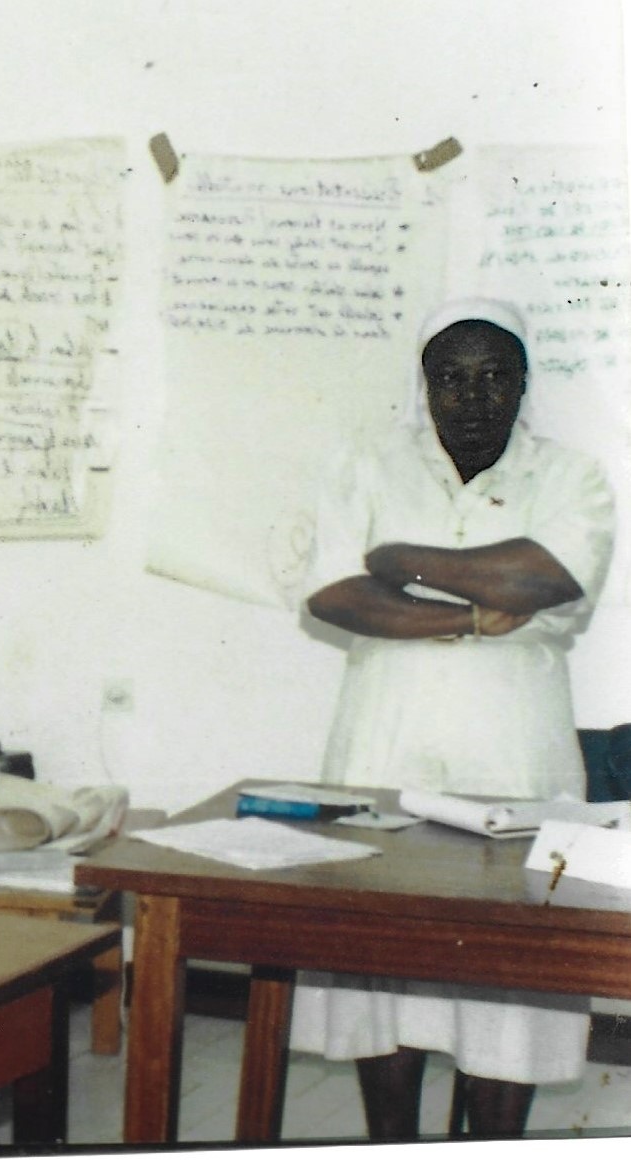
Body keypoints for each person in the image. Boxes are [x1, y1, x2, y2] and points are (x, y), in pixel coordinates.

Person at [291, 298, 616, 1140]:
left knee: (514, 969)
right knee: (380, 958)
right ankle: (391, 1149)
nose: (472, 399)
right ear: (425, 385)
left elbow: (545, 577)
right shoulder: (364, 465)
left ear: (521, 385)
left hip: (515, 741)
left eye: (492, 377)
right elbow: (333, 594)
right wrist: (470, 614)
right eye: (450, 378)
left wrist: (400, 562)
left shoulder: (569, 476)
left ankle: (492, 1151)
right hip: (384, 736)